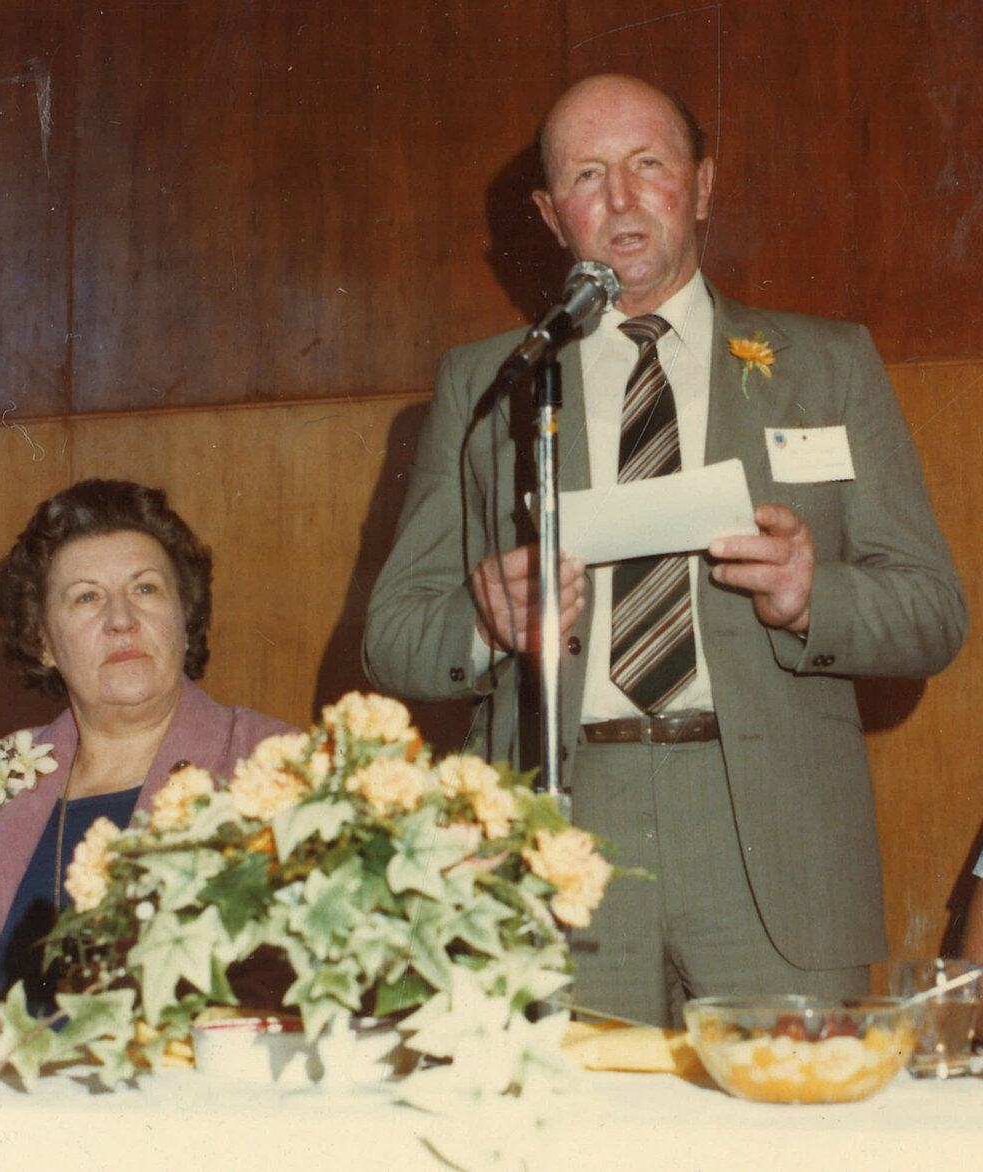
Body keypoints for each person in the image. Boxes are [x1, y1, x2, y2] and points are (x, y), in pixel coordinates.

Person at [362, 74, 968, 1026]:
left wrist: (817, 597)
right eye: (588, 174)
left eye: (650, 164)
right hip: (562, 842)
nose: (623, 197)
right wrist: (485, 622)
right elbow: (393, 638)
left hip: (777, 848)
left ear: (704, 183)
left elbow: (934, 611)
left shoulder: (827, 362)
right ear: (551, 214)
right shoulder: (489, 384)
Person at [0, 478, 296, 1008]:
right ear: (41, 640)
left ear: (185, 617)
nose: (122, 621)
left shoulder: (276, 762)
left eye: (146, 589)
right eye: (87, 597)